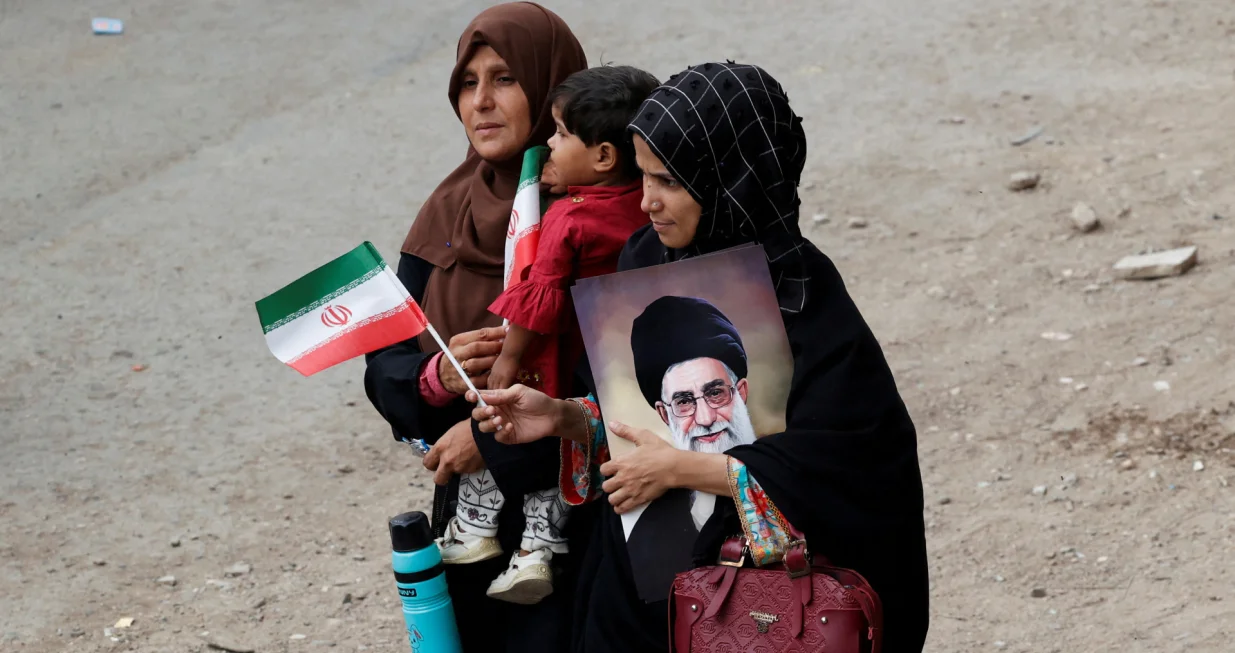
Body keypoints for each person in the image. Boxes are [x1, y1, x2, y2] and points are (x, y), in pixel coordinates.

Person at [467, 62, 930, 653]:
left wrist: (684, 470)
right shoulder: (643, 259)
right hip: (647, 594)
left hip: (774, 614)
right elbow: (640, 415)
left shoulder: (802, 298)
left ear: (728, 178)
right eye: (642, 177)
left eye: (668, 182)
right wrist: (566, 417)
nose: (646, 203)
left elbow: (851, 470)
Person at [362, 3, 587, 651]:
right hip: (473, 529)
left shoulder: (597, 214)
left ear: (551, 87)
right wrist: (432, 379)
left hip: (583, 524)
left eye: (506, 79)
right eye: (467, 82)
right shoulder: (445, 212)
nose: (481, 102)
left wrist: (489, 444)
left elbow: (630, 384)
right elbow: (383, 370)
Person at [438, 65, 660, 606]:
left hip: (555, 352)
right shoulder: (647, 200)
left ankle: (474, 530)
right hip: (614, 361)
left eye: (559, 133)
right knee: (569, 446)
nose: (547, 144)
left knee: (505, 425)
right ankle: (540, 545)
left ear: (604, 156)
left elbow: (540, 297)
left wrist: (508, 361)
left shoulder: (568, 218)